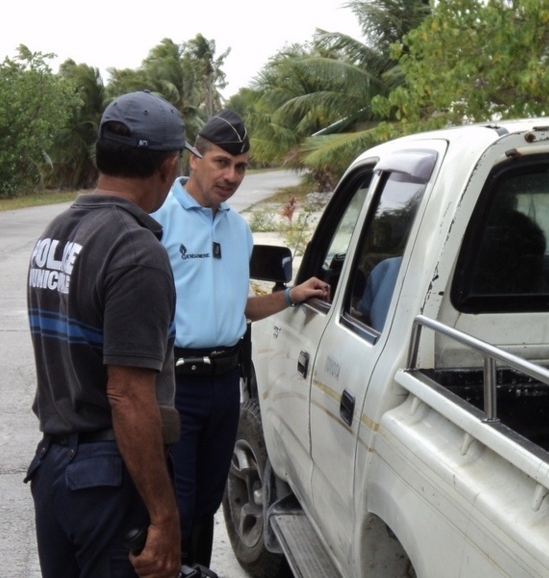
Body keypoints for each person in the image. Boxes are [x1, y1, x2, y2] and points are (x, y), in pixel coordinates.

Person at [24, 90, 196, 578]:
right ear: (167, 167)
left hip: (56, 469)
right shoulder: (136, 251)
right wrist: (165, 518)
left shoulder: (56, 234)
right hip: (106, 478)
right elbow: (127, 395)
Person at [151, 109, 329, 567]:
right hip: (175, 386)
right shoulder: (159, 220)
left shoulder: (238, 228)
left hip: (224, 386)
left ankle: (199, 571)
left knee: (209, 501)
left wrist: (291, 295)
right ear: (194, 159)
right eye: (221, 162)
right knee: (177, 503)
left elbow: (239, 309)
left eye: (241, 166)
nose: (231, 175)